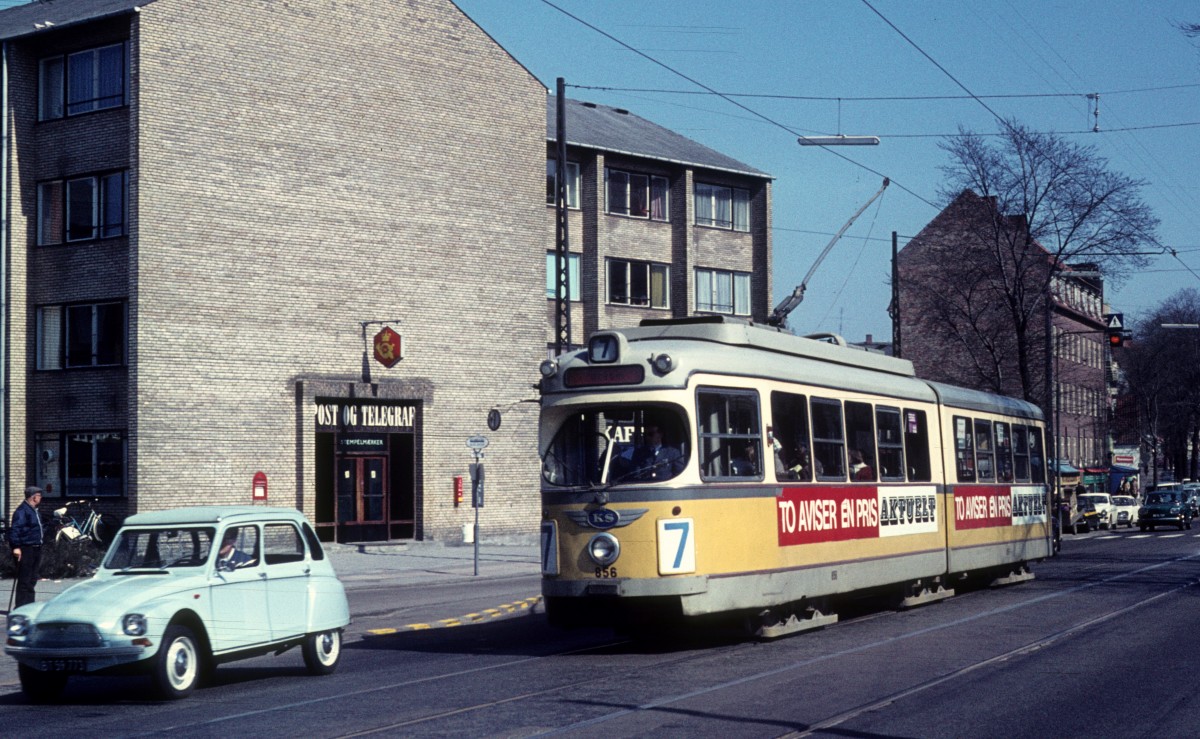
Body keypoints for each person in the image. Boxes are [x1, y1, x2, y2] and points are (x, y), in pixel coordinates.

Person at [9, 486, 45, 609]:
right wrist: (16, 547)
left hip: (36, 547)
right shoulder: (22, 511)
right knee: (24, 580)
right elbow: (15, 530)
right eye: (39, 495)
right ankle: (20, 607)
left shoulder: (34, 510)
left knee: (32, 579)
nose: (41, 498)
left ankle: (29, 606)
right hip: (26, 549)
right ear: (34, 497)